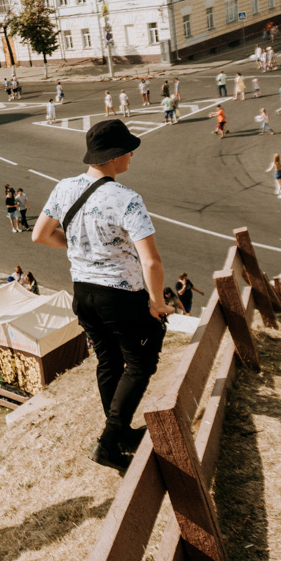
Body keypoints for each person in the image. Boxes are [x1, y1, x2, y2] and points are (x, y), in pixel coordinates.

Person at [32, 119, 174, 472]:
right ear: (113, 157)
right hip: (120, 294)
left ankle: (122, 433)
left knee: (109, 361)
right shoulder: (127, 199)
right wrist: (157, 303)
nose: (131, 156)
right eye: (128, 150)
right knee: (141, 361)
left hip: (83, 294)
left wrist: (79, 248)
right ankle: (109, 443)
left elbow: (40, 235)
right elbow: (151, 261)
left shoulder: (64, 188)